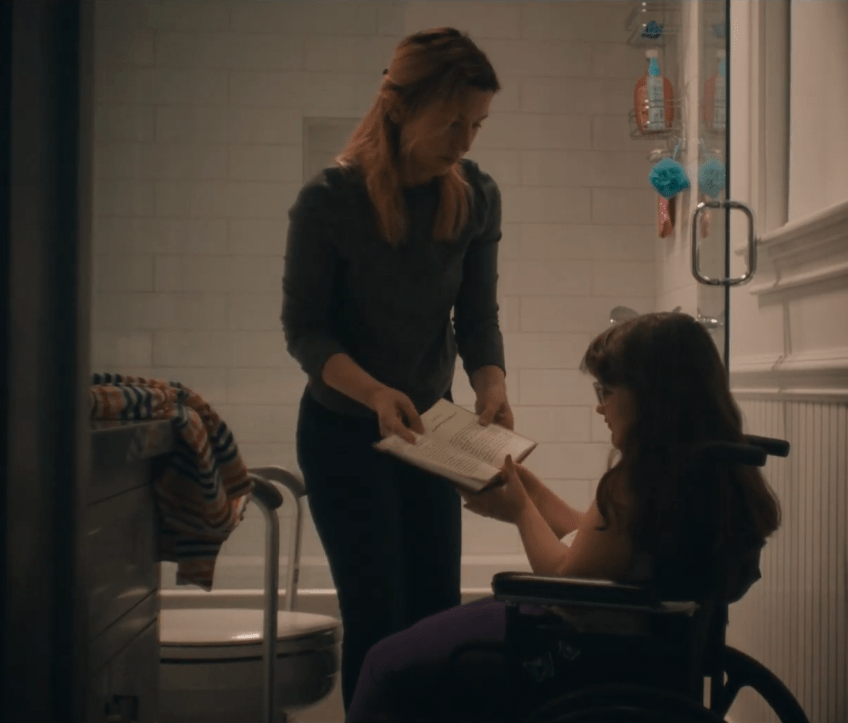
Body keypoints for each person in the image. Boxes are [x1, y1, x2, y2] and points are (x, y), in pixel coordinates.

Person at [345, 311, 784, 722]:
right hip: (641, 645)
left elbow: (563, 580)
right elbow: (598, 545)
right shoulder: (698, 469)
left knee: (386, 664)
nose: (599, 407)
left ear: (652, 397)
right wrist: (530, 490)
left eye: (606, 392)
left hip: (577, 648)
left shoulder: (638, 479)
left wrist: (520, 510)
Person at [280, 27, 512, 712]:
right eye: (453, 121)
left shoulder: (477, 195)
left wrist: (492, 383)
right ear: (401, 106)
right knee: (377, 616)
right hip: (343, 429)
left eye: (478, 124)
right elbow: (305, 332)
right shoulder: (328, 200)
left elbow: (477, 316)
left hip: (430, 430)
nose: (465, 141)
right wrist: (376, 392)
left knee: (435, 616)